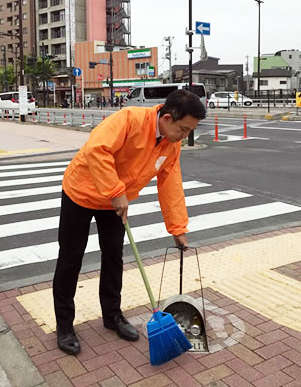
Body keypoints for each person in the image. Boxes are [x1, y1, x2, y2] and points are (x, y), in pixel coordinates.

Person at [53, 89, 206, 355]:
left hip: (114, 201)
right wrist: (116, 192)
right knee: (71, 257)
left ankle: (112, 316)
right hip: (82, 192)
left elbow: (170, 184)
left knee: (114, 256)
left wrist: (178, 228)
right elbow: (96, 150)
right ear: (167, 118)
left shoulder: (171, 145)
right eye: (183, 129)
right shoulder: (129, 120)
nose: (184, 136)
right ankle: (65, 325)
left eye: (189, 132)